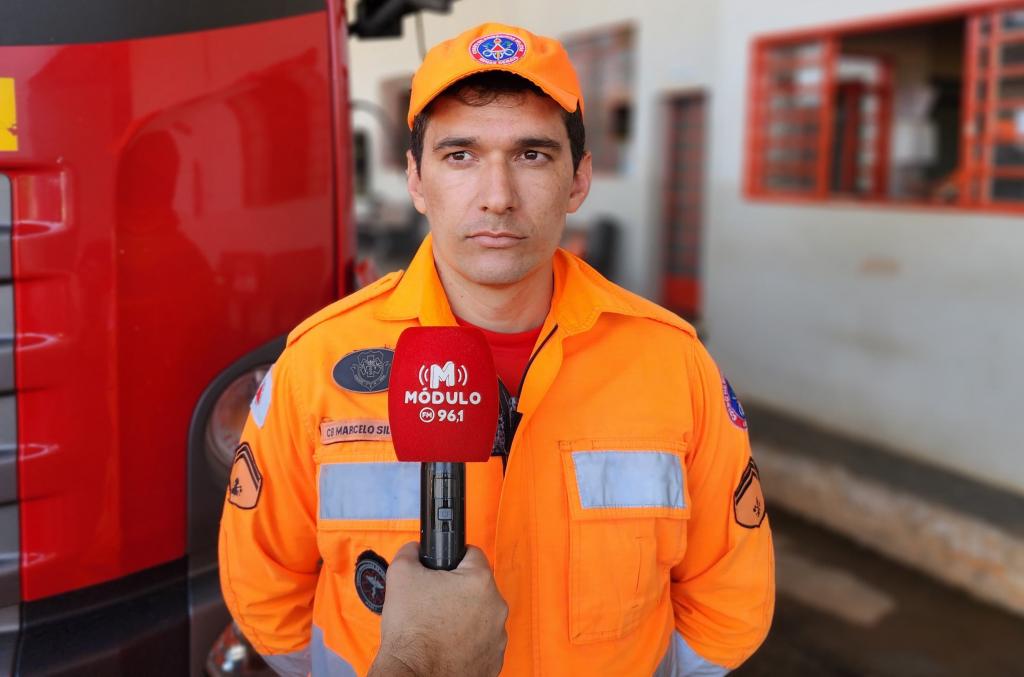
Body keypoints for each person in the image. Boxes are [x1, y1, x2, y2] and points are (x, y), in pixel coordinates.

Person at [219, 22, 774, 677]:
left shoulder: (675, 364)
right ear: (416, 181)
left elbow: (730, 599)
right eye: (460, 155)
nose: (497, 196)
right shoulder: (319, 362)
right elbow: (264, 588)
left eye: (532, 155)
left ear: (578, 180)